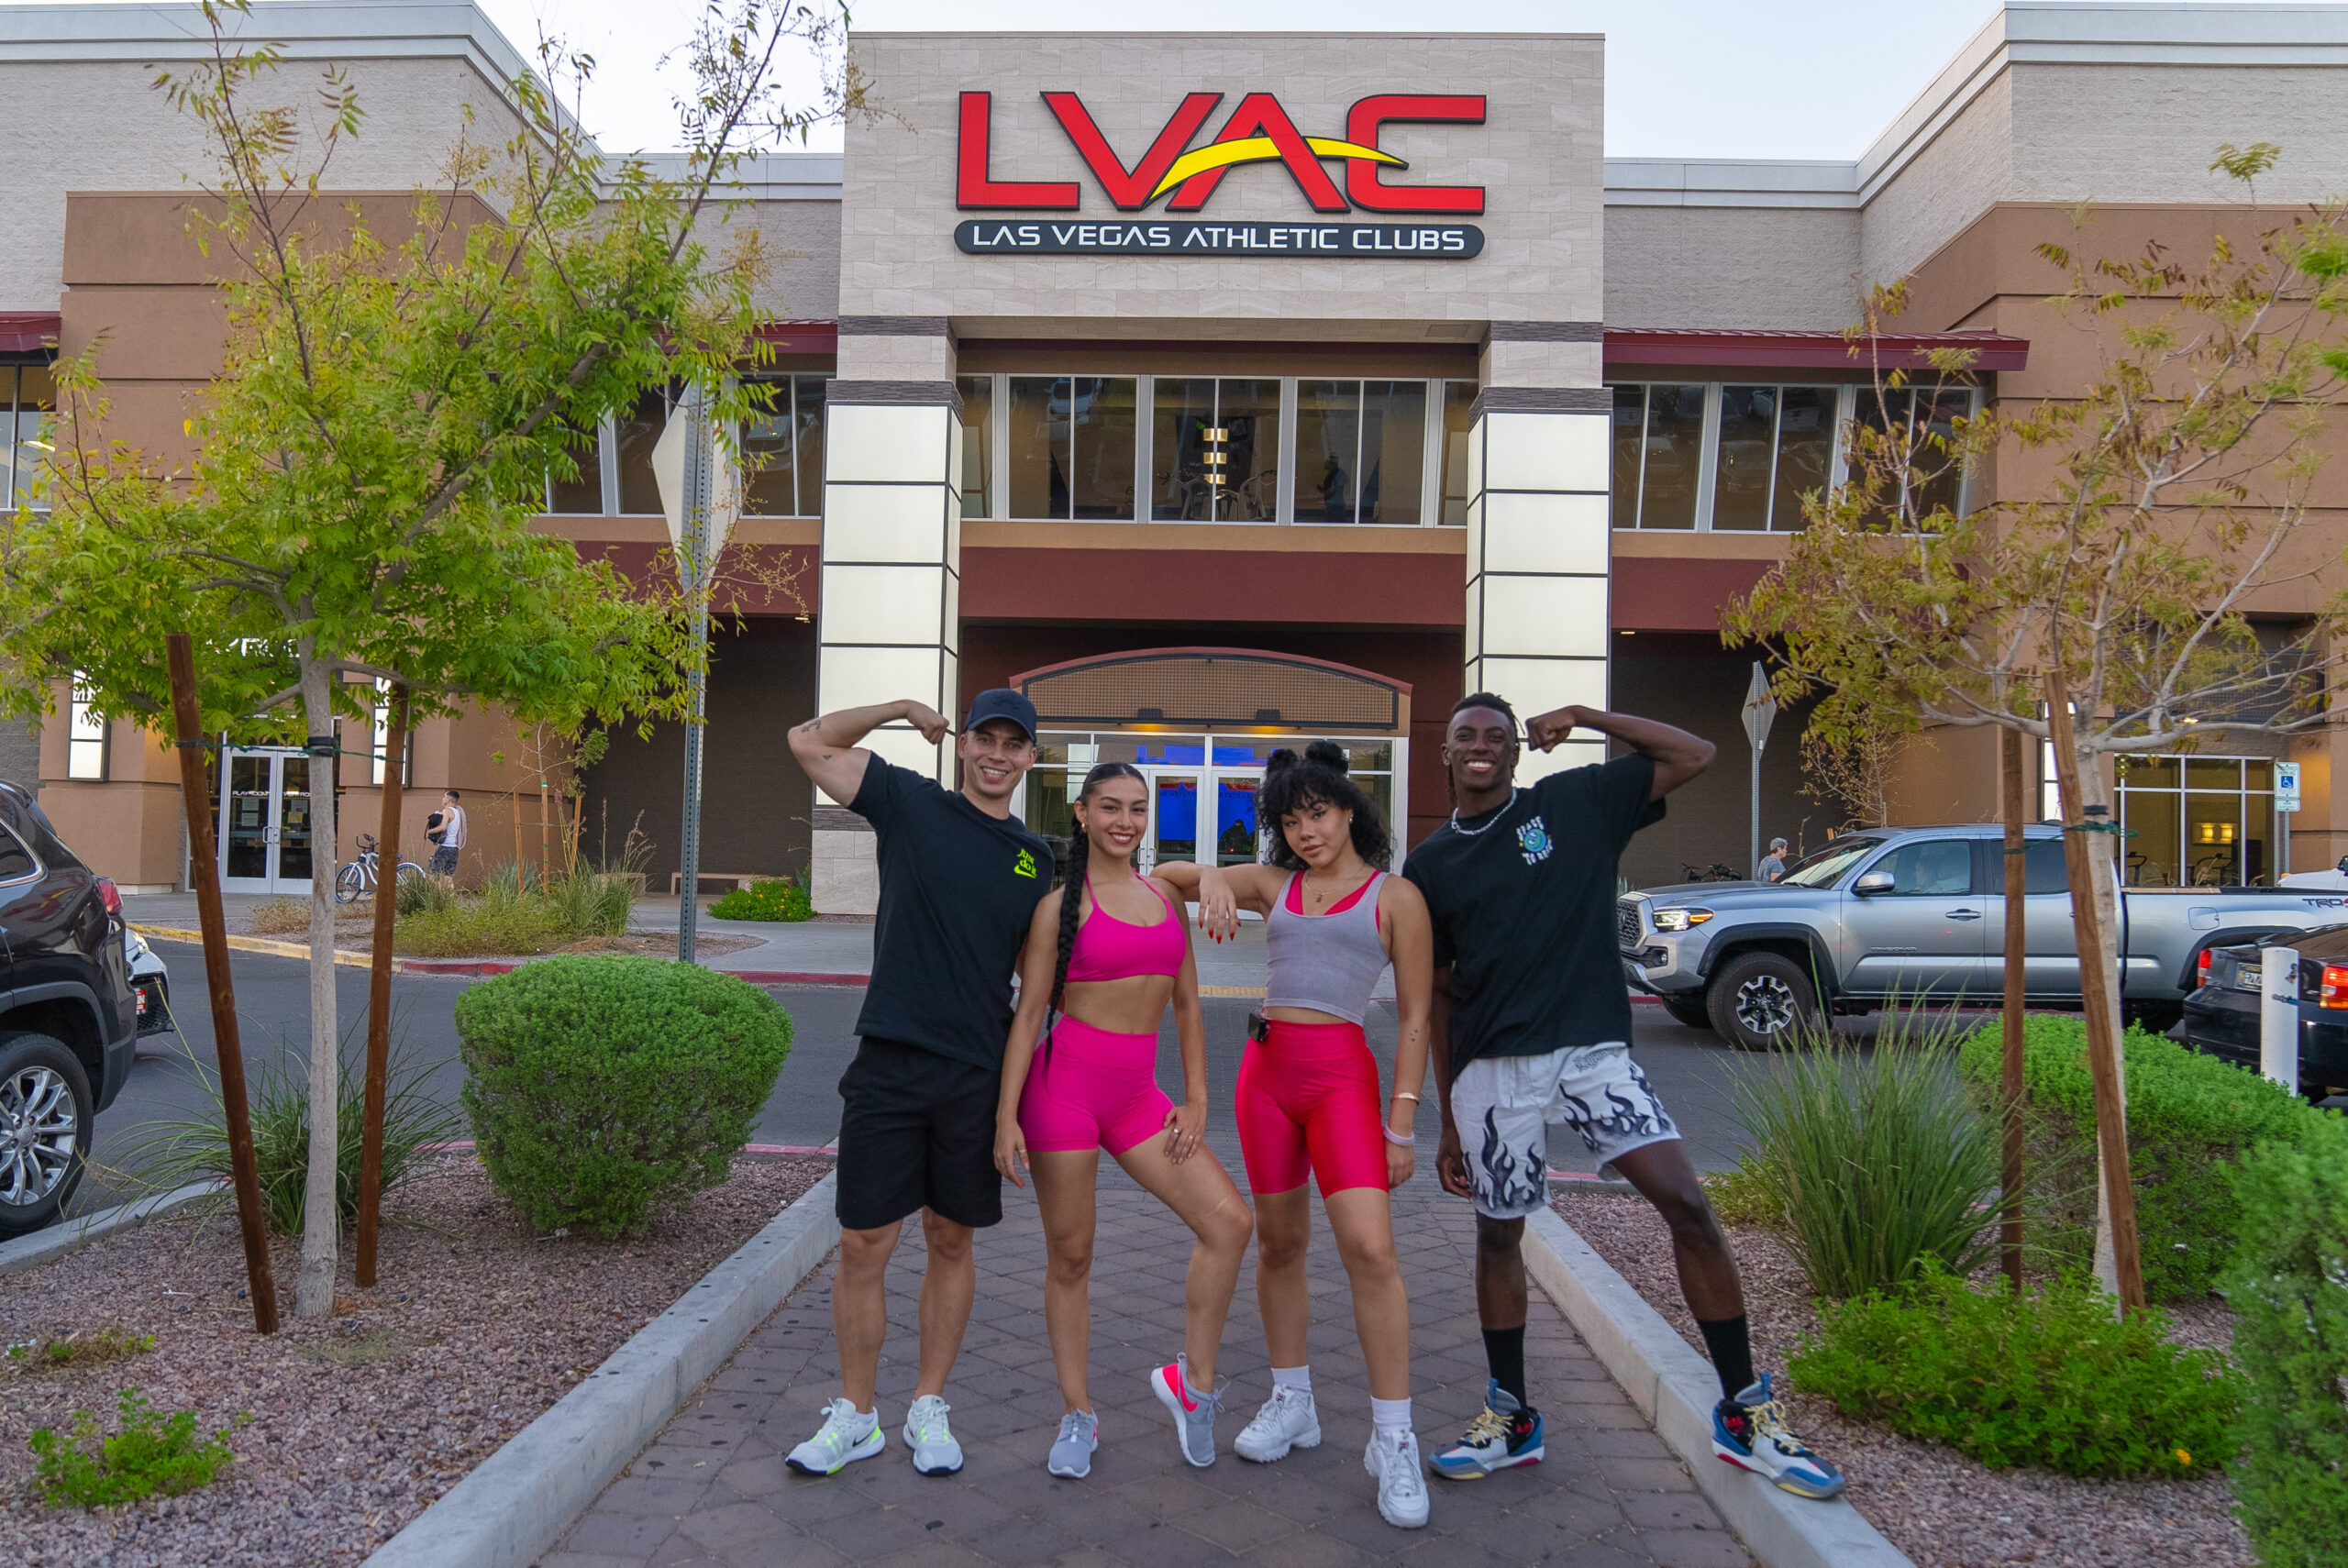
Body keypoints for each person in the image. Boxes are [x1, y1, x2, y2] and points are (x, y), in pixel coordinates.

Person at [1406, 694, 1846, 1501]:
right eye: (1466, 735)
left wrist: (1586, 715)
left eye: (1496, 737)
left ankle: (1745, 1415)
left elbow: (1695, 753)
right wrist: (1446, 1122)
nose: (1481, 747)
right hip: (1492, 1068)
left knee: (1686, 1202)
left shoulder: (1574, 802)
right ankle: (1511, 1416)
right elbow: (1437, 996)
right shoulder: (1429, 866)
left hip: (1592, 1054)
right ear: (1445, 752)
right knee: (1499, 1240)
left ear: (1515, 752)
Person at [781, 690, 1056, 1480]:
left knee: (950, 1237)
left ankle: (928, 1405)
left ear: (1031, 757)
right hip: (890, 1059)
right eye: (985, 739)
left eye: (1014, 743)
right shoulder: (908, 802)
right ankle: (858, 1415)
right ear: (963, 744)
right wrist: (901, 707)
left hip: (973, 1071)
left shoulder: (1036, 861)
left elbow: (1033, 998)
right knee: (865, 1240)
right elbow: (806, 738)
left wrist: (1010, 1113)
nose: (999, 754)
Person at [1165, 741, 1435, 1530]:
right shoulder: (1277, 884)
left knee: (1370, 1249)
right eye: (1291, 819)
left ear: (1350, 810)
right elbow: (1173, 878)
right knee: (1279, 1245)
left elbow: (1416, 1014)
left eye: (1318, 813)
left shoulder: (1395, 896)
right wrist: (1215, 874)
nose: (1307, 831)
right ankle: (1294, 1401)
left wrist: (1404, 1124)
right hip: (1266, 1080)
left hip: (1342, 1079)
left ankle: (1394, 1438)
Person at [993, 762, 1253, 1479]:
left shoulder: (1164, 897)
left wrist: (1197, 1099)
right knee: (1072, 1257)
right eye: (1110, 807)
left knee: (1229, 1223)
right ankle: (1078, 1414)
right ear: (1082, 813)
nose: (1125, 821)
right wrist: (1005, 1117)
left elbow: (1189, 1007)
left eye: (1138, 808)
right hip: (1062, 1094)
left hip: (1140, 1098)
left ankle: (1192, 1387)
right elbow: (1028, 1019)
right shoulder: (1059, 908)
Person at [426, 790, 464, 878]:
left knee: (432, 874)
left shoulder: (447, 811)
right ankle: (450, 891)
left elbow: (443, 827)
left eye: (444, 797)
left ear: (449, 798)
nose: (442, 799)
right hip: (454, 849)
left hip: (445, 848)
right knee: (447, 877)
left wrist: (429, 831)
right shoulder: (458, 812)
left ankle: (432, 891)